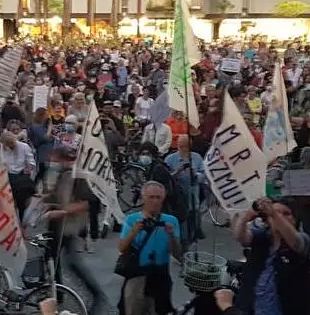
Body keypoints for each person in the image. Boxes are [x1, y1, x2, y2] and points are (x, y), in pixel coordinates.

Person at [42, 145, 109, 315]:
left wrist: (62, 212)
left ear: (64, 160)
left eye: (56, 159)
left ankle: (96, 294)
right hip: (56, 225)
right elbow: (56, 197)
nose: (53, 162)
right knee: (51, 259)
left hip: (68, 227)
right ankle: (56, 295)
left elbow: (87, 203)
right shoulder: (61, 175)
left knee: (72, 263)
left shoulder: (77, 177)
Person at [233, 197, 310, 315]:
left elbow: (296, 243)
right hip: (255, 307)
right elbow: (241, 238)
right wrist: (244, 218)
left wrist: (273, 213)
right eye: (276, 213)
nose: (280, 217)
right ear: (267, 220)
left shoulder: (302, 238)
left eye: (286, 214)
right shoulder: (261, 234)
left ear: (295, 220)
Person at [118, 181, 182, 315]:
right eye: (151, 197)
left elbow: (177, 254)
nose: (154, 201)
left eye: (158, 197)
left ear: (163, 199)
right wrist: (134, 231)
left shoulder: (171, 221)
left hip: (160, 274)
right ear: (143, 198)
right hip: (137, 274)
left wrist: (171, 236)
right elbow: (122, 249)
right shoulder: (132, 220)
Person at [164, 135, 205, 245]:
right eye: (180, 146)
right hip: (178, 191)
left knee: (194, 211)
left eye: (185, 146)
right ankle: (182, 237)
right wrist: (176, 172)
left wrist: (195, 174)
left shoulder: (197, 158)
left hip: (193, 188)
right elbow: (166, 177)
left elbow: (204, 175)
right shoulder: (170, 159)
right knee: (181, 213)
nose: (182, 149)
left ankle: (195, 231)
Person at [0, 131, 36, 220]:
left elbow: (31, 163)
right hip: (8, 178)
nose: (10, 146)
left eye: (11, 144)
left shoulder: (24, 147)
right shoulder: (3, 149)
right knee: (8, 204)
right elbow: (0, 163)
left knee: (21, 204)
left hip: (21, 177)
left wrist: (28, 168)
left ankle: (22, 224)